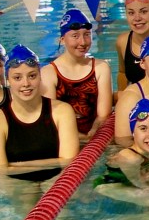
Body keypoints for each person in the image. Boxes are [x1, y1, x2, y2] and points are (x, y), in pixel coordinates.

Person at [0, 45, 80, 181]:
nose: (26, 83)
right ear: (7, 81)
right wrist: (52, 162)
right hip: (16, 182)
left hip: (57, 180)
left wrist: (16, 165)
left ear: (40, 77)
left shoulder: (62, 112)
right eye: (17, 78)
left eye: (32, 76)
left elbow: (69, 161)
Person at [41, 9, 113, 140]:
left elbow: (103, 115)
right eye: (75, 36)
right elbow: (51, 119)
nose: (83, 42)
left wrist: (93, 133)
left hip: (95, 138)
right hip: (62, 138)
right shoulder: (48, 73)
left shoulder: (100, 68)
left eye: (87, 34)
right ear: (62, 39)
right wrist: (79, 138)